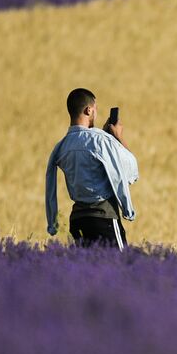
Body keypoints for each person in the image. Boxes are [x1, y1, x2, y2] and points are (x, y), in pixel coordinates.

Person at [45, 88, 139, 249]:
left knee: (88, 270)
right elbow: (132, 171)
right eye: (95, 109)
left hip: (77, 221)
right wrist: (117, 137)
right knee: (121, 270)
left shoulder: (61, 146)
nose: (96, 113)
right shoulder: (101, 140)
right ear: (89, 110)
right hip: (104, 219)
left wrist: (52, 223)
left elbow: (49, 182)